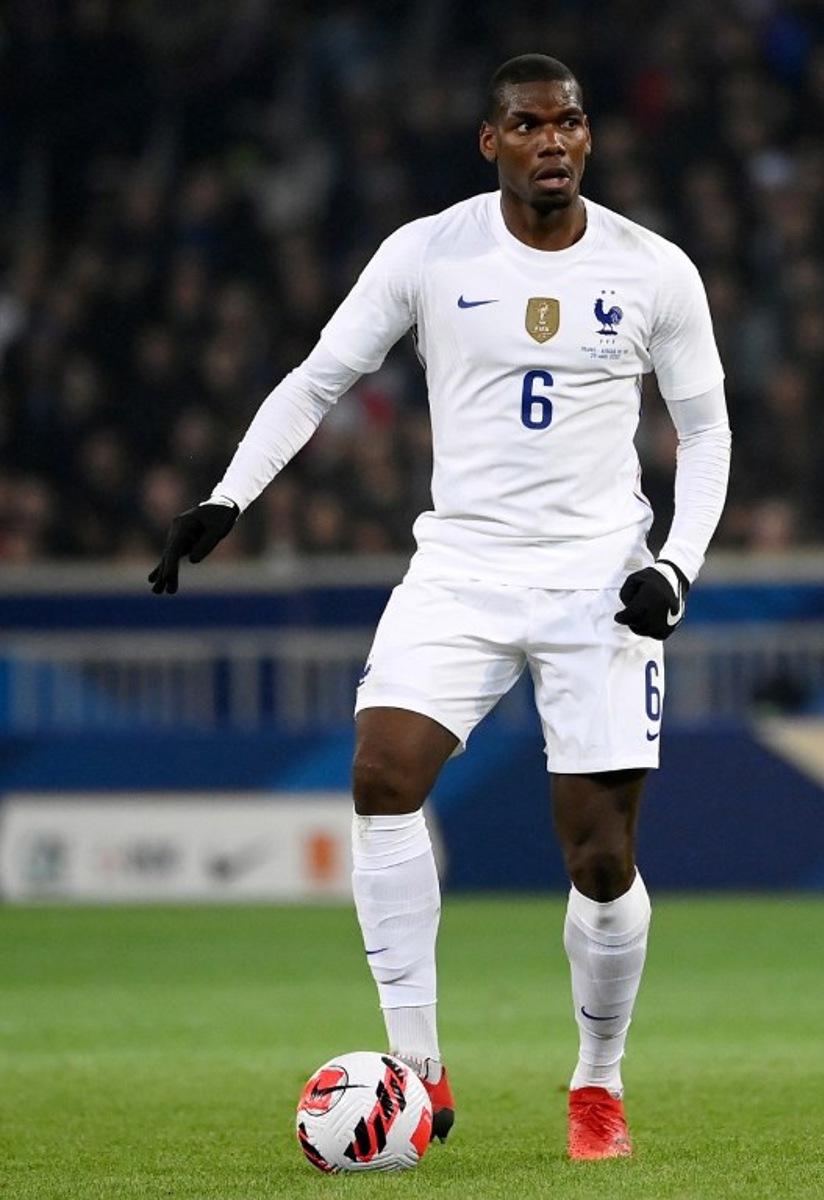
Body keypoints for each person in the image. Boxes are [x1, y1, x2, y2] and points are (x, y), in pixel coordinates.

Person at [149, 54, 731, 1161]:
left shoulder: (654, 270)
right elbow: (320, 376)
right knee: (381, 778)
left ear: (588, 138)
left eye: (568, 124)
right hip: (459, 567)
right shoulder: (426, 253)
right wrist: (230, 496)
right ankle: (417, 1070)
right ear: (490, 141)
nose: (551, 142)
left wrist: (677, 565)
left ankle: (595, 1085)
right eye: (527, 125)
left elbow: (705, 433)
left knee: (600, 856)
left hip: (599, 577)